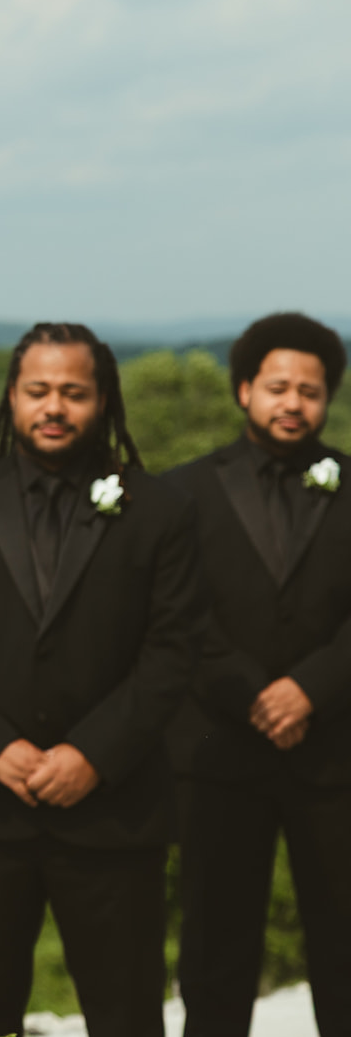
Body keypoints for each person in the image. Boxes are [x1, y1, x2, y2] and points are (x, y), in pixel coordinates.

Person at [0, 322, 203, 1037]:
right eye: (38, 390)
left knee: (129, 1017)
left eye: (74, 392)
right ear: (12, 396)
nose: (54, 407)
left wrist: (92, 753)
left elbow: (174, 649)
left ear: (103, 400)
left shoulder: (162, 510)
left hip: (115, 809)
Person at [164, 312, 351, 1037]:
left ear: (327, 398)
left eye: (310, 390)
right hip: (218, 752)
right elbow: (176, 612)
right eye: (278, 386)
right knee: (216, 949)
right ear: (245, 389)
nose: (293, 402)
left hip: (336, 754)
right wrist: (252, 693)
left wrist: (311, 688)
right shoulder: (181, 492)